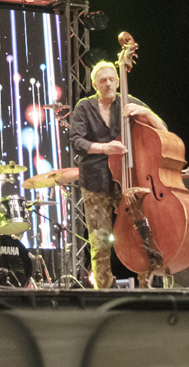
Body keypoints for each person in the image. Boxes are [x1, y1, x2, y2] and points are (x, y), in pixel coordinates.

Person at [69, 60, 167, 289]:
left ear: (117, 80)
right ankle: (102, 290)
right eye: (102, 80)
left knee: (142, 236)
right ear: (94, 84)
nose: (108, 83)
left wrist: (146, 112)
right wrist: (104, 148)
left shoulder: (128, 102)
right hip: (96, 182)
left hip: (127, 183)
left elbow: (163, 129)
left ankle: (147, 287)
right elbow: (76, 142)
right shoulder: (84, 107)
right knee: (100, 243)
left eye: (112, 79)